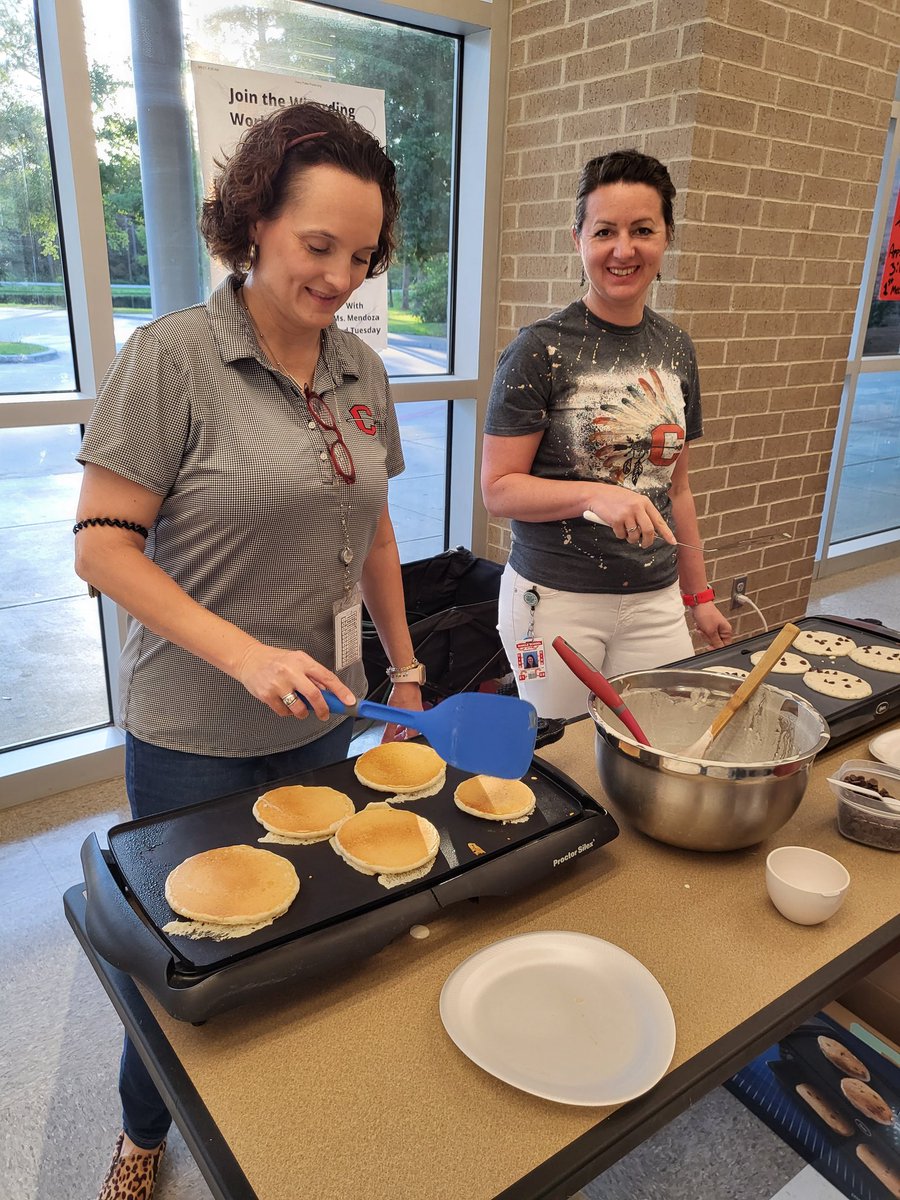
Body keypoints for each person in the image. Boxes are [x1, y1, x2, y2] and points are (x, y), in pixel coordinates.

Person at [74, 100, 424, 1199]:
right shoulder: (172, 358)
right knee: (187, 950)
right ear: (255, 221)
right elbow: (101, 545)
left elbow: (375, 529)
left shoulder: (361, 369)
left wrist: (406, 666)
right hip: (197, 727)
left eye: (360, 256)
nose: (340, 277)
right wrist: (244, 656)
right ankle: (144, 1132)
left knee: (310, 916)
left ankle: (287, 1117)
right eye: (319, 245)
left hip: (329, 709)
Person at [481, 148, 732, 720]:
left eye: (642, 230)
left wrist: (698, 596)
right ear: (578, 239)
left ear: (666, 237)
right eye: (604, 232)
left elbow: (678, 489)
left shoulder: (676, 348)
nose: (624, 250)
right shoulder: (538, 349)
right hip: (554, 602)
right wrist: (595, 494)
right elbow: (498, 490)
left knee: (657, 735)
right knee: (564, 750)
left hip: (656, 598)